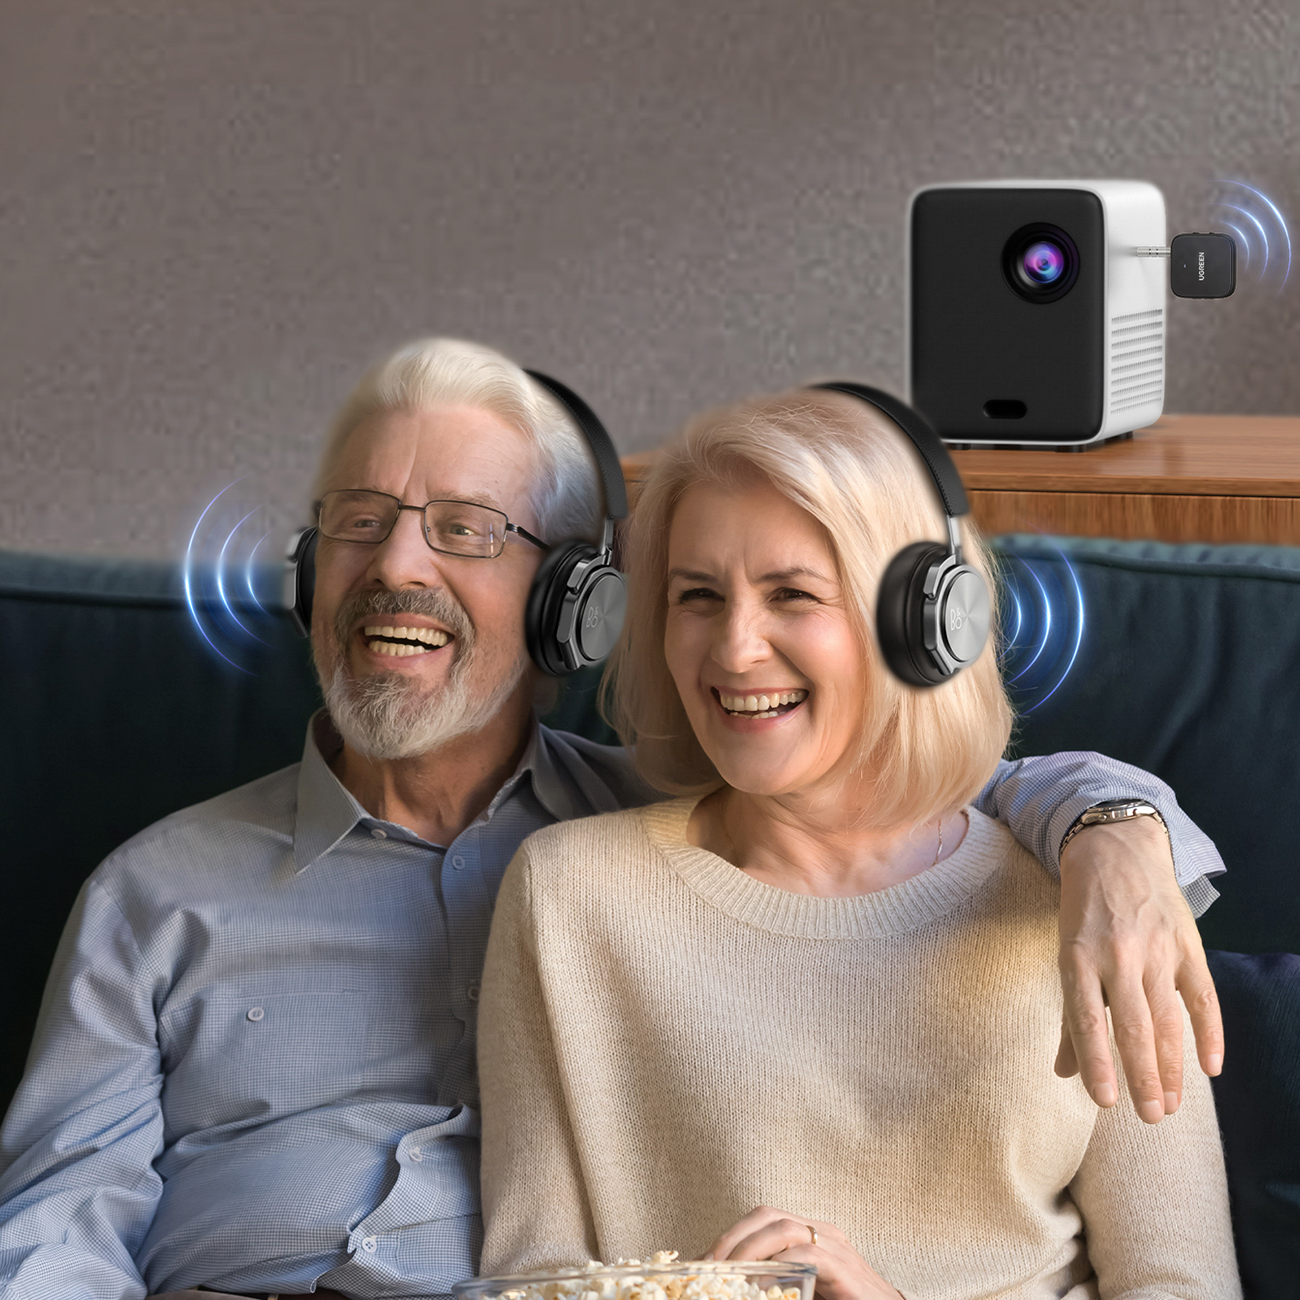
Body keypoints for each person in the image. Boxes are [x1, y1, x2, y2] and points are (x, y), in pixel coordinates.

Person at [0, 341, 1224, 1300]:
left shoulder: (1092, 901)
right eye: (358, 526)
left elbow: (908, 804)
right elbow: (55, 1222)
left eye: (465, 531)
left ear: (571, 610)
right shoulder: (565, 882)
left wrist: (1118, 829)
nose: (393, 572)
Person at [477, 386, 1240, 1297]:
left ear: (927, 620)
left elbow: (1184, 1285)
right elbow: (532, 1281)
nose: (734, 648)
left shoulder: (1093, 899)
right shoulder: (568, 896)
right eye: (698, 596)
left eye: (793, 593)